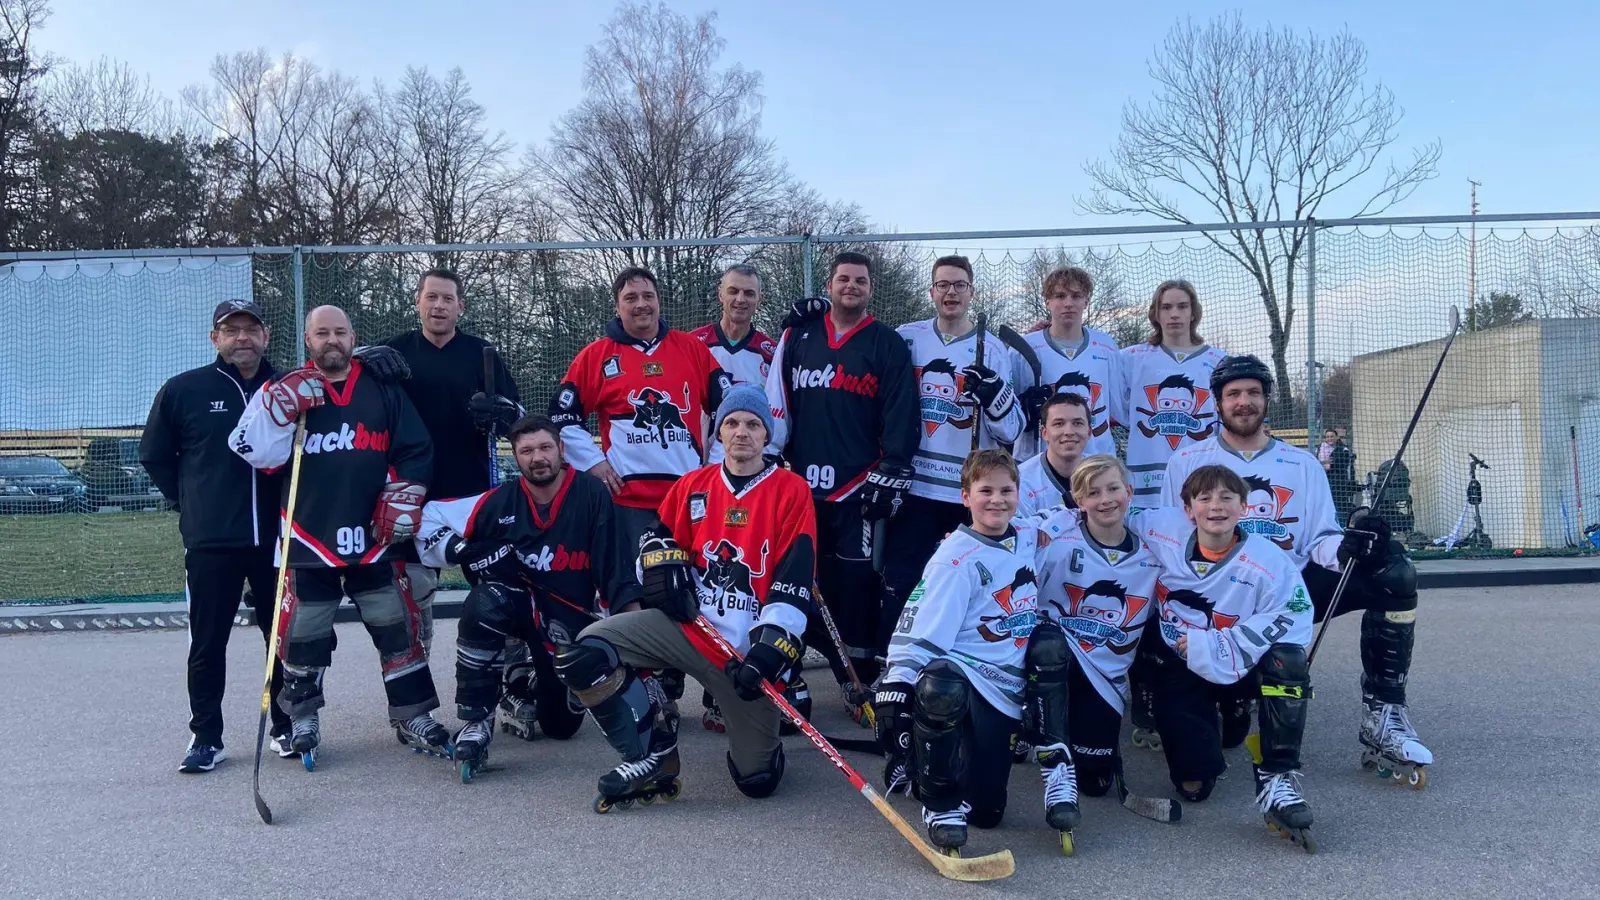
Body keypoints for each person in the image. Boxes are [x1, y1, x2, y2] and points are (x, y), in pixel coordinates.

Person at [1160, 355, 1431, 787]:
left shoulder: (1302, 465)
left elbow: (1319, 539)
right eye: (1234, 394)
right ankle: (1228, 698)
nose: (1244, 402)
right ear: (1217, 402)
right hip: (1219, 596)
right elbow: (1173, 542)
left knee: (1394, 571)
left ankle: (1385, 713)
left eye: (1253, 393)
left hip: (1292, 589)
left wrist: (1350, 548)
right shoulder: (1187, 461)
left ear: (1267, 400)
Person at [553, 384, 817, 809]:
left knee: (757, 781)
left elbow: (794, 577)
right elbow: (653, 543)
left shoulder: (790, 490)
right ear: (719, 433)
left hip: (741, 652)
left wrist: (769, 653)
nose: (741, 432)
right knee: (584, 654)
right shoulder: (693, 484)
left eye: (752, 424)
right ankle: (652, 750)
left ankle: (765, 745)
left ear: (767, 435)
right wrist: (659, 569)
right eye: (731, 423)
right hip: (687, 627)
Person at [229, 304, 450, 765]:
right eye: (322, 333)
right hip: (309, 536)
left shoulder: (381, 388)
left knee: (397, 627)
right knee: (304, 634)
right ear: (307, 341)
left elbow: (415, 447)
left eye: (340, 332)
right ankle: (303, 717)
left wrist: (405, 492)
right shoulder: (282, 387)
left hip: (376, 536)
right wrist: (277, 410)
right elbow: (255, 452)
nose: (332, 340)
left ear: (353, 337)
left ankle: (412, 714)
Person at [415, 414, 638, 778]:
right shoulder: (500, 501)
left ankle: (523, 678)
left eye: (546, 447)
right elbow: (429, 516)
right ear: (516, 458)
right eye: (527, 451)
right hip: (516, 609)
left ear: (562, 450)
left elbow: (616, 571)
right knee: (483, 602)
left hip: (570, 623)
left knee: (561, 728)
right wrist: (461, 551)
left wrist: (634, 651)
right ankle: (476, 719)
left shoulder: (592, 494)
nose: (538, 457)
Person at [766, 251, 920, 722]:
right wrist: (773, 458)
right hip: (801, 487)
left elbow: (900, 408)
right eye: (843, 279)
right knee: (795, 580)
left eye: (860, 280)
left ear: (872, 289)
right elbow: (778, 401)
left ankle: (856, 678)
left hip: (858, 487)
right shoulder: (797, 336)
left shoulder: (886, 343)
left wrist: (894, 462)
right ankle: (788, 668)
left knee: (856, 584)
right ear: (829, 285)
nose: (851, 286)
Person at [141, 299, 290, 772]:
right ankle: (206, 736)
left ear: (266, 336)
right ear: (216, 338)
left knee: (283, 639)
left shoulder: (289, 387)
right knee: (207, 643)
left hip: (278, 541)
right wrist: (193, 501)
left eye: (251, 329)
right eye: (232, 330)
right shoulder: (184, 389)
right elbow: (155, 455)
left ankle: (287, 726)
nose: (242, 338)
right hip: (211, 542)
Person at [1134, 465, 1317, 850]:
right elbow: (1112, 509)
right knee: (1193, 786)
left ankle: (1276, 775)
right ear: (1187, 509)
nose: (1215, 506)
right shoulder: (1160, 529)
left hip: (1240, 660)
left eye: (1226, 498)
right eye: (1204, 498)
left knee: (1288, 661)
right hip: (1177, 662)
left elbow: (1295, 617)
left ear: (1244, 507)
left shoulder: (1269, 559)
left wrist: (1216, 645)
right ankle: (1215, 720)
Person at [876, 449, 1040, 853]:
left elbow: (1075, 522)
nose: (997, 500)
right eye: (985, 491)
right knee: (940, 686)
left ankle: (941, 762)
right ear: (965, 496)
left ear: (1019, 494)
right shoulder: (953, 558)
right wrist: (897, 682)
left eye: (1007, 490)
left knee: (987, 812)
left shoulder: (1027, 537)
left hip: (1006, 686)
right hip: (964, 679)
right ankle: (938, 799)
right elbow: (921, 621)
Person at [356, 268, 522, 657]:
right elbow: (343, 378)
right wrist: (362, 355)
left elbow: (519, 421)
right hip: (411, 496)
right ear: (418, 302)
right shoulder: (393, 352)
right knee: (412, 604)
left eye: (447, 299)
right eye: (431, 297)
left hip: (474, 496)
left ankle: (510, 684)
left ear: (460, 306)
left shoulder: (483, 355)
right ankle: (416, 699)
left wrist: (503, 414)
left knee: (498, 594)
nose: (439, 305)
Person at [1027, 454, 1158, 851]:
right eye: (1092, 492)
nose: (1105, 499)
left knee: (1096, 783)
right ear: (1077, 500)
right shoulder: (1055, 540)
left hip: (1107, 678)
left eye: (1113, 489)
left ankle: (1068, 741)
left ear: (1129, 492)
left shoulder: (1154, 550)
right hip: (1057, 657)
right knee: (1047, 646)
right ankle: (1046, 750)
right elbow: (1003, 543)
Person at [888, 254, 1023, 635]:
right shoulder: (908, 336)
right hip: (915, 485)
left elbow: (1010, 430)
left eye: (959, 285)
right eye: (943, 284)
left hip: (965, 492)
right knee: (905, 580)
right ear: (932, 291)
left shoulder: (992, 349)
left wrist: (995, 397)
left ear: (971, 292)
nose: (951, 292)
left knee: (963, 580)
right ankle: (896, 664)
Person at [1120, 279, 1228, 509]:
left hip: (1202, 481)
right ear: (1156, 314)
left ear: (1193, 312)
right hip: (1146, 484)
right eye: (1166, 307)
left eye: (1182, 306)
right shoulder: (1131, 358)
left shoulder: (1218, 361)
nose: (1174, 314)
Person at [1017, 266, 1127, 460]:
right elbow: (1011, 411)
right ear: (1047, 302)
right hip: (1038, 462)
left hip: (1096, 461)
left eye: (1076, 296)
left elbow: (1121, 409)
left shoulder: (1106, 346)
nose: (1068, 303)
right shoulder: (1025, 348)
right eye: (1060, 296)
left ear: (1086, 301)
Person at [690, 264, 777, 387]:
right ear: (721, 294)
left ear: (760, 299)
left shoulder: (773, 355)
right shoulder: (692, 344)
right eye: (733, 291)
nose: (740, 299)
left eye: (749, 293)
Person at [1017, 393, 1092, 518]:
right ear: (1045, 433)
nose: (1069, 432)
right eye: (1059, 424)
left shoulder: (1104, 473)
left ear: (1089, 432)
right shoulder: (1023, 480)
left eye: (1077, 423)